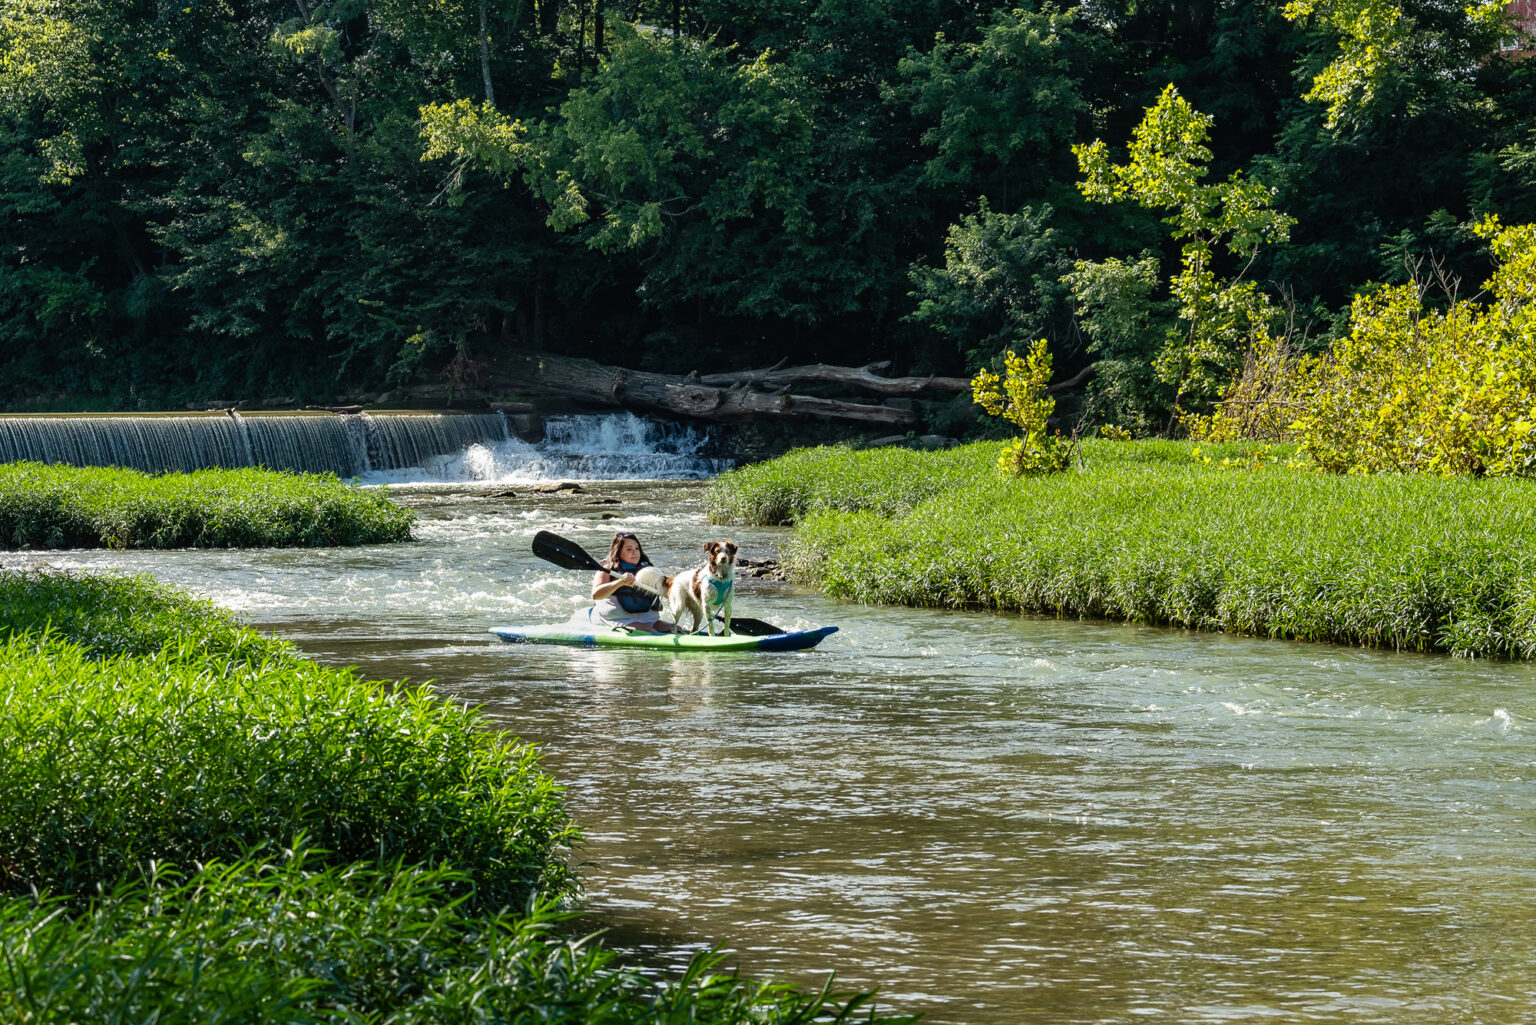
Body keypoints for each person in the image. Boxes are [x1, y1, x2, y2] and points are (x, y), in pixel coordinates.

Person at [589, 531, 675, 633]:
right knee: (650, 632)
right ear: (618, 551)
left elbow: (666, 591)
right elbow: (596, 595)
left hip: (649, 619)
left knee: (677, 630)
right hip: (619, 619)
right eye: (629, 549)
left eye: (637, 548)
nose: (635, 552)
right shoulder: (608, 568)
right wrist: (619, 582)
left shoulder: (647, 569)